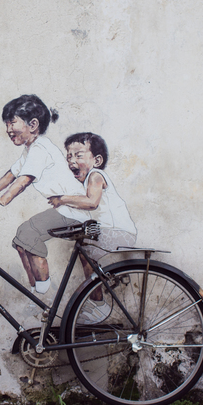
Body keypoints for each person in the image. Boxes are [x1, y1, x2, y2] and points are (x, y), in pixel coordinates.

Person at [0, 95, 89, 295]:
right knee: (21, 241)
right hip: (66, 210)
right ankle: (34, 288)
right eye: (6, 124)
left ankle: (43, 291)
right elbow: (10, 175)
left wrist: (2, 200)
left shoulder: (41, 148)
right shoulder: (30, 150)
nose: (8, 129)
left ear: (33, 125)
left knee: (28, 234)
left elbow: (23, 181)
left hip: (74, 210)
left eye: (12, 122)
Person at [48, 132, 137, 321]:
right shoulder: (87, 181)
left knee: (87, 253)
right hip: (113, 231)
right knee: (87, 252)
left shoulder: (95, 176)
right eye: (69, 156)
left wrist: (61, 199)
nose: (72, 160)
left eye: (78, 155)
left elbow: (91, 202)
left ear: (96, 160)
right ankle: (98, 295)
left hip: (120, 232)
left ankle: (98, 305)